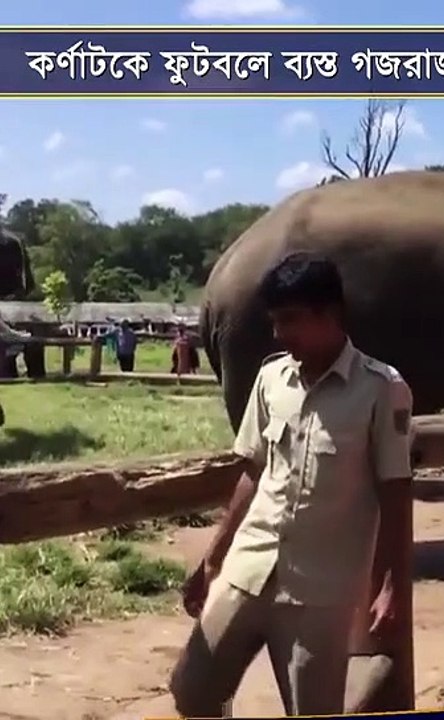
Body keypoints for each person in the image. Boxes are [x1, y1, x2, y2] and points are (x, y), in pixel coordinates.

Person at [168, 252, 415, 716]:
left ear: (331, 315)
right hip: (250, 567)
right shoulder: (271, 379)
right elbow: (251, 471)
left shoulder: (381, 389)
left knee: (312, 710)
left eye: (291, 321)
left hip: (320, 592)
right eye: (275, 322)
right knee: (193, 688)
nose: (280, 334)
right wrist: (213, 556)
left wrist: (392, 586)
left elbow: (395, 494)